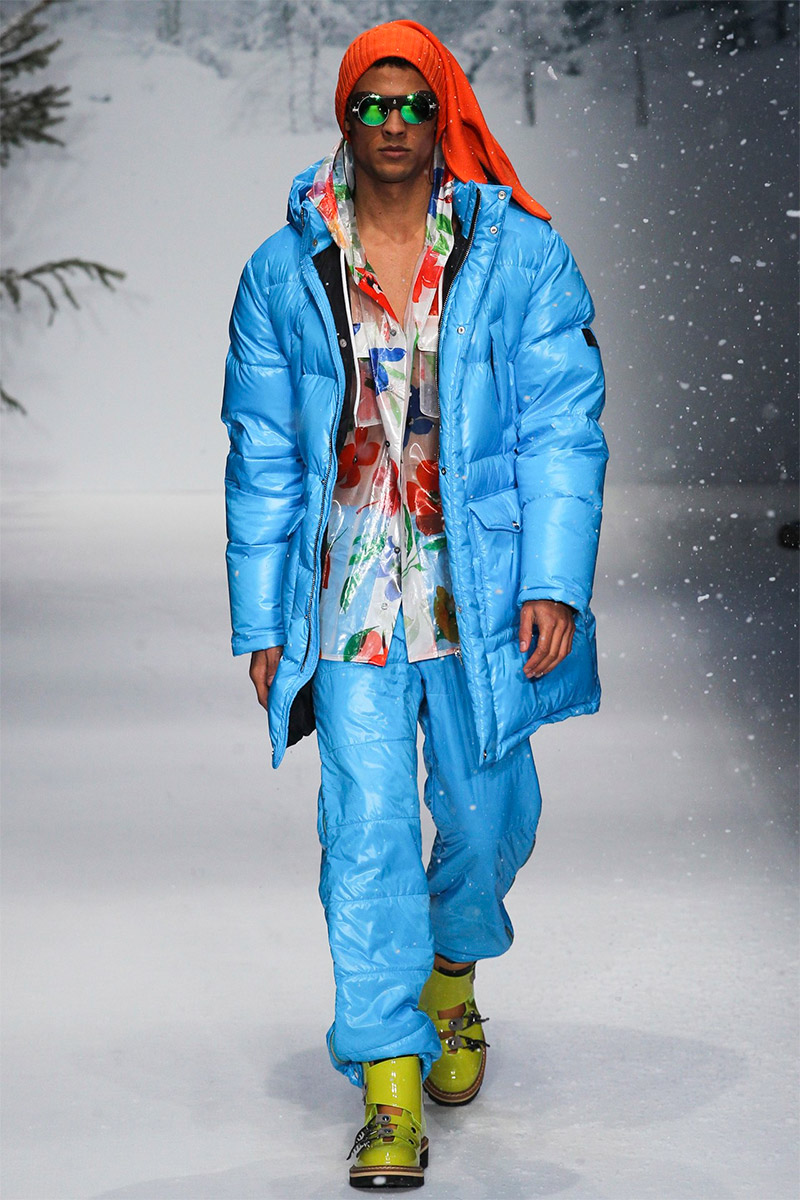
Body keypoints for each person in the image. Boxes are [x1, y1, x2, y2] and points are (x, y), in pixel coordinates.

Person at [222, 19, 607, 1190]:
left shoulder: (520, 253)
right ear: (343, 117)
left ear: (444, 116)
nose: (391, 125)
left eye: (412, 104)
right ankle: (388, 1081)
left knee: (489, 821)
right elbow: (262, 457)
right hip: (345, 604)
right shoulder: (283, 269)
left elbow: (561, 426)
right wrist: (261, 621)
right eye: (370, 105)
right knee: (367, 836)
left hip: (477, 591)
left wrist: (553, 578)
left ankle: (449, 976)